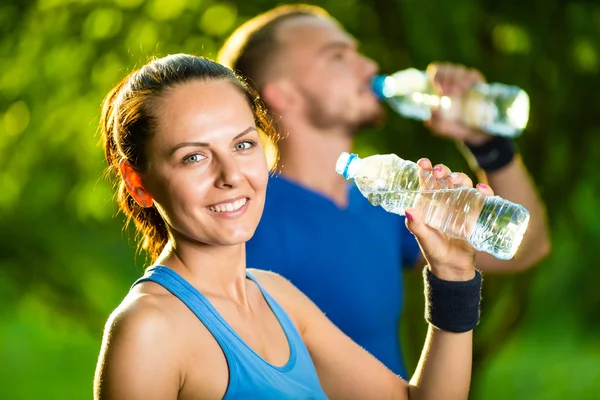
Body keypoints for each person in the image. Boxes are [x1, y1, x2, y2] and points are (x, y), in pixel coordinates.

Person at [93, 53, 489, 399]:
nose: (232, 175)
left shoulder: (279, 297)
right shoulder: (148, 330)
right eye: (194, 157)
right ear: (138, 183)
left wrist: (452, 276)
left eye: (243, 145)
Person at [217, 4, 551, 378]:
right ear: (284, 95)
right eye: (338, 57)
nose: (369, 67)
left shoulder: (385, 202)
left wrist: (485, 141)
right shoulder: (241, 218)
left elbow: (525, 247)